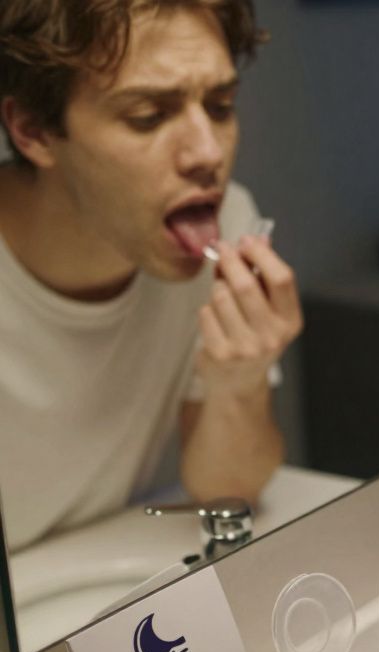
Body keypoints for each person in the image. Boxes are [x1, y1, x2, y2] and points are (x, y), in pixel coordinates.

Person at [0, 0, 301, 550]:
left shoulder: (227, 218)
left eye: (221, 105)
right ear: (33, 131)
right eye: (148, 117)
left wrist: (241, 378)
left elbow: (228, 491)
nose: (207, 153)